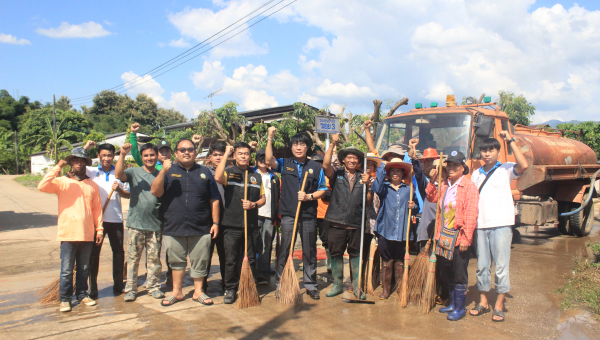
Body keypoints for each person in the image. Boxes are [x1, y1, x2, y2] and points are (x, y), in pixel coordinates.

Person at [151, 139, 220, 307]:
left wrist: (216, 222)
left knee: (200, 260)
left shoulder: (205, 172)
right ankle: (177, 292)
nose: (186, 152)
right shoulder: (168, 171)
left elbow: (215, 199)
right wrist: (162, 171)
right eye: (182, 149)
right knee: (176, 262)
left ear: (195, 153)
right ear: (176, 153)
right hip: (174, 225)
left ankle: (198, 292)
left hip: (201, 225)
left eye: (190, 149)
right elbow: (155, 191)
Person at [469, 131, 528, 322]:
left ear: (497, 152)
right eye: (484, 150)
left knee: (501, 266)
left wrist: (510, 141)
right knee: (482, 266)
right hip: (481, 225)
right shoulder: (476, 174)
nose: (487, 154)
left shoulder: (507, 169)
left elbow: (524, 165)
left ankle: (499, 305)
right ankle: (483, 301)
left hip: (501, 225)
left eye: (491, 150)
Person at [38, 148, 103, 312]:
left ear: (85, 163)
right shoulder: (61, 182)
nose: (79, 163)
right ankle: (65, 299)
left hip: (88, 233)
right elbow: (42, 186)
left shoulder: (92, 185)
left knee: (84, 268)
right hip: (68, 233)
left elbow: (97, 209)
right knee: (67, 270)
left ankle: (82, 294)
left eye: (82, 161)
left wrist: (100, 229)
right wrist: (57, 167)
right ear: (70, 162)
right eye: (75, 160)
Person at [265, 127, 327, 300]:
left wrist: (309, 196)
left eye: (302, 144)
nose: (298, 147)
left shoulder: (315, 166)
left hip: (308, 214)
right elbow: (269, 160)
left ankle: (310, 284)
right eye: (295, 144)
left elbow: (323, 189)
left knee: (309, 249)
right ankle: (281, 283)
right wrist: (270, 137)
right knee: (285, 248)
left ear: (307, 147)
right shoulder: (285, 163)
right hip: (288, 214)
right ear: (291, 147)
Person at [426, 151, 479, 321]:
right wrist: (432, 181)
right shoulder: (445, 186)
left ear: (463, 167)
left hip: (459, 236)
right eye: (449, 165)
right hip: (444, 235)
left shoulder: (469, 187)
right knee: (447, 271)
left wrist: (466, 238)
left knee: (459, 273)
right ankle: (451, 303)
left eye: (455, 165)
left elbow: (471, 213)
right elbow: (431, 197)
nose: (450, 168)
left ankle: (460, 307)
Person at [214, 143, 266, 303]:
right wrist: (226, 155)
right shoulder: (229, 173)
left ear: (250, 156)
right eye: (240, 153)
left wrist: (253, 205)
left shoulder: (256, 176)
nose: (243, 156)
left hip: (250, 226)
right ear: (234, 156)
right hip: (231, 225)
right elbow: (217, 177)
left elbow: (263, 199)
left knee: (250, 259)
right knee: (231, 259)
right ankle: (230, 289)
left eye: (246, 153)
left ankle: (248, 286)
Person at [322, 134, 370, 299]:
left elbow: (368, 200)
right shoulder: (337, 174)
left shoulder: (363, 177)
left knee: (356, 254)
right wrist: (333, 143)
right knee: (336, 254)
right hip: (336, 222)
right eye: (349, 157)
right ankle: (337, 285)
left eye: (355, 158)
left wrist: (368, 185)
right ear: (343, 160)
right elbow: (326, 164)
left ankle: (356, 287)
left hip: (356, 223)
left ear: (359, 162)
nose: (352, 160)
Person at [115, 143, 165, 302]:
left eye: (152, 155)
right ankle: (130, 288)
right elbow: (118, 174)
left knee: (154, 260)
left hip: (155, 224)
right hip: (136, 224)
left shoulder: (161, 174)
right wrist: (122, 155)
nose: (149, 158)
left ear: (157, 156)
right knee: (133, 259)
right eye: (146, 156)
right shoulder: (134, 172)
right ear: (141, 157)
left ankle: (153, 286)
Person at [82, 141, 130, 298]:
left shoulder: (120, 173)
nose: (107, 158)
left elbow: (128, 194)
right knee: (94, 254)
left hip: (116, 219)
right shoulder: (91, 172)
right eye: (103, 155)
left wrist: (120, 189)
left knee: (118, 252)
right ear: (98, 156)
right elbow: (76, 163)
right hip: (97, 221)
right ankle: (93, 288)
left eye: (110, 155)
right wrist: (84, 148)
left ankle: (118, 285)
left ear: (114, 156)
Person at [371, 156, 419, 300]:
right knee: (387, 261)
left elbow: (415, 207)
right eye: (392, 171)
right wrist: (381, 167)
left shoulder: (409, 189)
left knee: (399, 261)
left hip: (402, 231)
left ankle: (399, 288)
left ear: (403, 174)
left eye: (398, 171)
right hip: (386, 230)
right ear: (389, 173)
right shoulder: (383, 187)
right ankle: (386, 290)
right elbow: (375, 187)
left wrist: (414, 206)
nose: (395, 173)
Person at [253, 149, 280, 284]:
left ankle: (262, 273)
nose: (263, 161)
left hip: (269, 215)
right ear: (256, 160)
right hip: (254, 214)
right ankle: (251, 270)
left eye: (265, 158)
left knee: (266, 245)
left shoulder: (274, 177)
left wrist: (277, 215)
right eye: (260, 158)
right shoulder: (250, 174)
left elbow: (277, 197)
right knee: (253, 244)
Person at [204, 141, 228, 291]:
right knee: (205, 254)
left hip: (226, 220)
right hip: (207, 221)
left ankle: (227, 283)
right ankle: (202, 284)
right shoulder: (204, 173)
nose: (219, 158)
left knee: (225, 254)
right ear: (210, 157)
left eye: (221, 154)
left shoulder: (231, 172)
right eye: (216, 155)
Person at [312, 153, 332, 274]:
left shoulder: (329, 178)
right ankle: (309, 262)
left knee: (327, 239)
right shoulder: (308, 176)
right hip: (311, 213)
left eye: (320, 163)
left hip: (325, 214)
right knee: (309, 240)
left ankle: (329, 262)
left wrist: (330, 194)